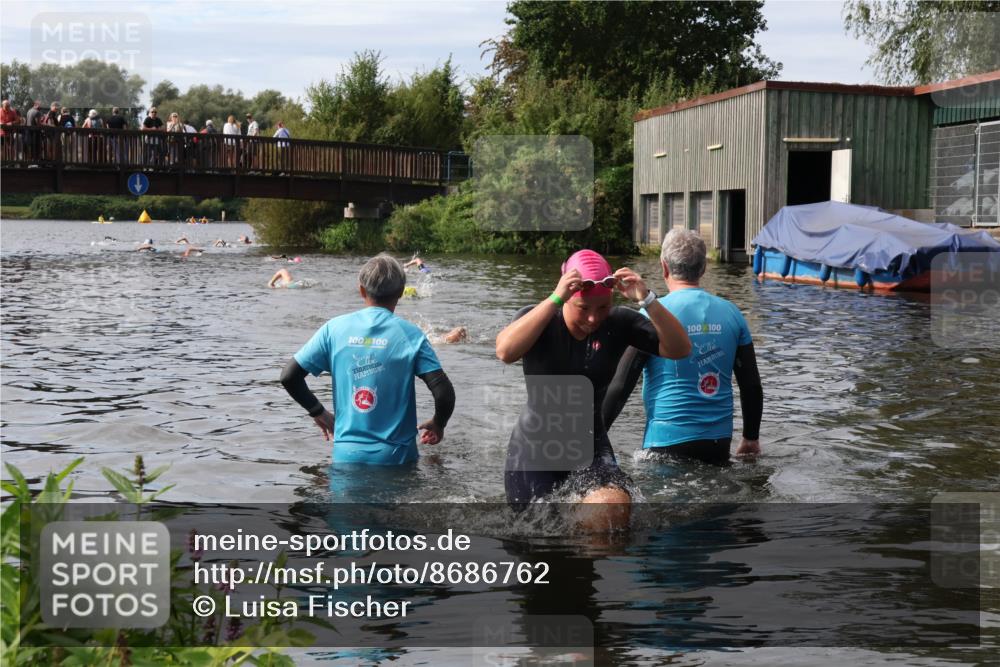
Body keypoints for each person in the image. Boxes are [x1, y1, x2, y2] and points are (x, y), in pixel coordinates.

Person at [495, 249, 691, 512]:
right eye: (583, 308)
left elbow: (680, 349)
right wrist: (554, 298)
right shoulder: (539, 318)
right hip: (534, 448)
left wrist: (647, 299)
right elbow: (505, 352)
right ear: (566, 298)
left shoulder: (619, 323)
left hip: (590, 442)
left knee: (611, 509)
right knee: (537, 538)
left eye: (602, 307)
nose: (592, 318)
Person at [602, 228, 764, 463]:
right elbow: (750, 384)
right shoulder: (733, 314)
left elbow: (621, 385)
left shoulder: (651, 316)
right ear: (704, 267)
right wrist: (750, 438)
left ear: (664, 266)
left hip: (664, 444)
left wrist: (593, 439)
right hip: (718, 444)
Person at [280, 253, 456, 465]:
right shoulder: (410, 335)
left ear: (361, 290)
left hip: (346, 457)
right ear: (401, 292)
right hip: (397, 458)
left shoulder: (333, 329)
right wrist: (438, 423)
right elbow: (443, 392)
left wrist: (319, 412)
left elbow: (289, 376)